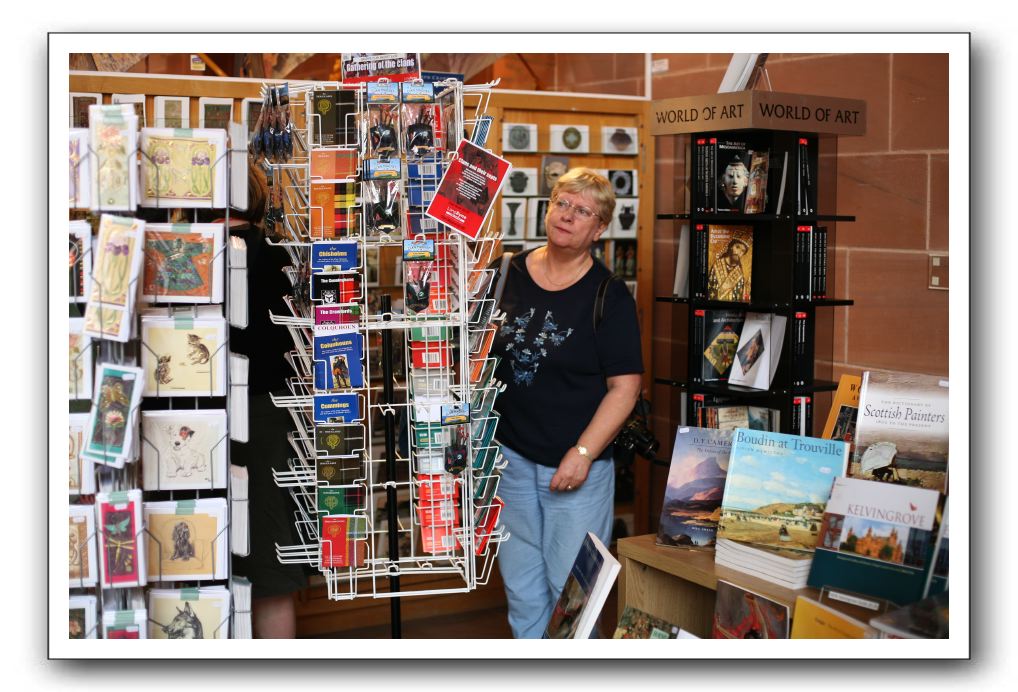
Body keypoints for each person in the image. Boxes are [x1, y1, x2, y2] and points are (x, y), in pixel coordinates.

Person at [491, 168, 643, 638]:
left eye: (583, 211)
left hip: (575, 468)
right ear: (548, 207)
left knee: (573, 594)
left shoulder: (608, 295)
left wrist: (583, 453)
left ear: (598, 230)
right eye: (562, 203)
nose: (568, 216)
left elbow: (625, 387)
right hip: (509, 459)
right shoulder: (506, 272)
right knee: (522, 589)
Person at [226, 165, 307, 637]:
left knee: (212, 556)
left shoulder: (195, 251)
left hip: (221, 411)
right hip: (275, 414)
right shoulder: (285, 254)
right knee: (272, 563)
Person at [706, 237, 749, 301]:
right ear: (731, 247)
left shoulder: (740, 274)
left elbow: (740, 296)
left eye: (742, 251)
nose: (739, 252)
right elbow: (710, 289)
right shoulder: (717, 265)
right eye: (737, 247)